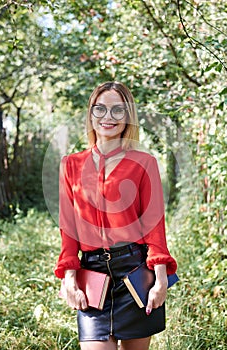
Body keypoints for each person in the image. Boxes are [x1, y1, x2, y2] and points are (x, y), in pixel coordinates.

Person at [54, 81, 177, 350]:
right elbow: (68, 229)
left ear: (128, 116)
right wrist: (69, 279)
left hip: (135, 272)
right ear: (91, 114)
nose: (108, 117)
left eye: (117, 110)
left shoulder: (145, 163)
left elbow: (155, 224)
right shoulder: (71, 165)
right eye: (101, 109)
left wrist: (160, 279)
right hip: (92, 274)